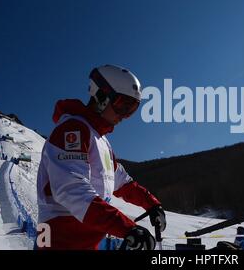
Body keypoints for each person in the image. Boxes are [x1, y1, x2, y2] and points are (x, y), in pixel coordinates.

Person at [36, 64, 166, 250]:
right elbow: (71, 190)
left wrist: (152, 205)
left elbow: (122, 182)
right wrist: (126, 228)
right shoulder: (73, 129)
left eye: (132, 109)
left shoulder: (101, 141)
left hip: (87, 241)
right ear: (101, 97)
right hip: (58, 240)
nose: (125, 116)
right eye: (123, 106)